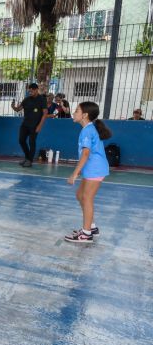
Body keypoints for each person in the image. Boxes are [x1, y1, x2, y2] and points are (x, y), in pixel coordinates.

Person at [65, 102, 112, 243]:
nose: (74, 113)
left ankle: (86, 234)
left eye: (77, 110)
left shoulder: (87, 130)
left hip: (95, 169)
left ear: (85, 115)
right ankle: (92, 227)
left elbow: (86, 153)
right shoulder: (88, 129)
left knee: (87, 198)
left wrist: (75, 173)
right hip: (91, 169)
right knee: (80, 195)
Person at [11, 83, 47, 167]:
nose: (30, 92)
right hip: (25, 124)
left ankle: (30, 161)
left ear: (36, 90)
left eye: (32, 91)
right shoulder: (26, 99)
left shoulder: (42, 99)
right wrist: (13, 106)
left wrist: (40, 126)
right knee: (21, 140)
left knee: (32, 142)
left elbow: (45, 113)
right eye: (29, 91)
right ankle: (27, 158)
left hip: (35, 125)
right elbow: (18, 109)